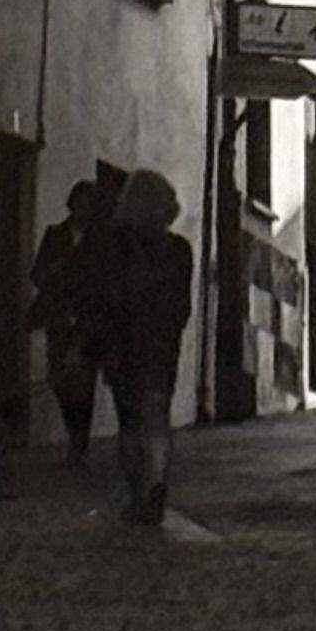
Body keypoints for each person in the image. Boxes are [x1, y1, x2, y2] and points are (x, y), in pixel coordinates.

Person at [91, 169, 194, 527]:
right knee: (157, 419)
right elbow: (182, 307)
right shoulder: (180, 251)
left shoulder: (116, 247)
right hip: (162, 347)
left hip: (124, 345)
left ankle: (137, 495)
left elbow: (107, 299)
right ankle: (158, 485)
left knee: (130, 424)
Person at [31, 179, 107, 466]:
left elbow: (103, 278)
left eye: (90, 203)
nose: (85, 208)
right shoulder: (55, 235)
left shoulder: (100, 241)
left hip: (88, 319)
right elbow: (36, 273)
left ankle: (79, 441)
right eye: (81, 201)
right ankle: (74, 431)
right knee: (60, 379)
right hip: (60, 316)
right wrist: (52, 273)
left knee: (84, 381)